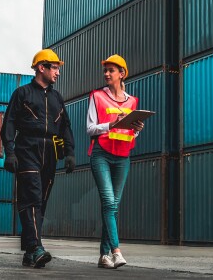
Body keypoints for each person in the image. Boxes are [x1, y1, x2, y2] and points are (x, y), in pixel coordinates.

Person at [0, 49, 75, 268]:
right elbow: (9, 123)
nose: (58, 72)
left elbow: (65, 127)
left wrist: (69, 152)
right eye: (55, 67)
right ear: (41, 67)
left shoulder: (57, 98)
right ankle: (36, 248)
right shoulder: (22, 94)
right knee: (31, 198)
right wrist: (10, 152)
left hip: (50, 152)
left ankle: (29, 251)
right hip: (27, 149)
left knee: (40, 203)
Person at [86, 54, 143, 269]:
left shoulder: (133, 101)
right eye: (105, 70)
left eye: (111, 70)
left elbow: (130, 133)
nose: (107, 74)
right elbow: (90, 128)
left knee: (112, 207)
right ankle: (116, 251)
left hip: (123, 156)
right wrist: (111, 124)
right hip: (101, 153)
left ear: (122, 74)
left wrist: (136, 130)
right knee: (109, 203)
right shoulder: (97, 96)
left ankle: (103, 256)